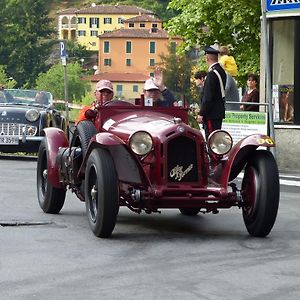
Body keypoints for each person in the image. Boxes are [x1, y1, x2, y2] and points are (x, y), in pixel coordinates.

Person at [197, 46, 227, 139]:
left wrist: (202, 113)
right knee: (216, 140)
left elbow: (208, 97)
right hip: (217, 112)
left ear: (207, 58)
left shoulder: (212, 74)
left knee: (211, 141)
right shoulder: (221, 71)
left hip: (211, 113)